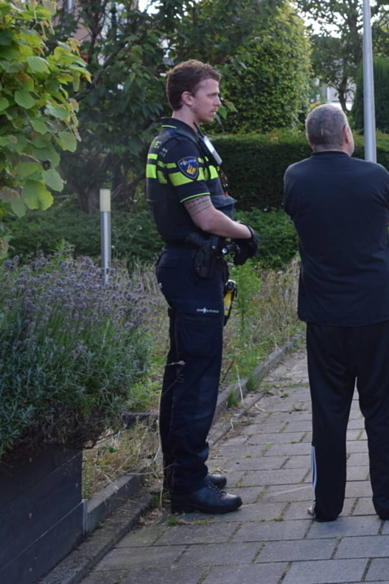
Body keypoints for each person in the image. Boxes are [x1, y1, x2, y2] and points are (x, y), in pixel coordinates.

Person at [283, 104, 389, 522]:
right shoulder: (374, 175)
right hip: (375, 313)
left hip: (323, 316)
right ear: (345, 136)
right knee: (382, 409)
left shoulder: (295, 177)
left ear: (310, 139)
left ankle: (326, 506)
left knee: (328, 411)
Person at [146, 60, 259, 515]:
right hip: (192, 270)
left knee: (182, 373)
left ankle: (183, 471)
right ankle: (189, 488)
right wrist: (247, 233)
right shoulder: (180, 146)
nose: (217, 100)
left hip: (189, 266)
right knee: (196, 379)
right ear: (186, 98)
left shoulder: (179, 140)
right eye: (211, 94)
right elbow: (205, 215)